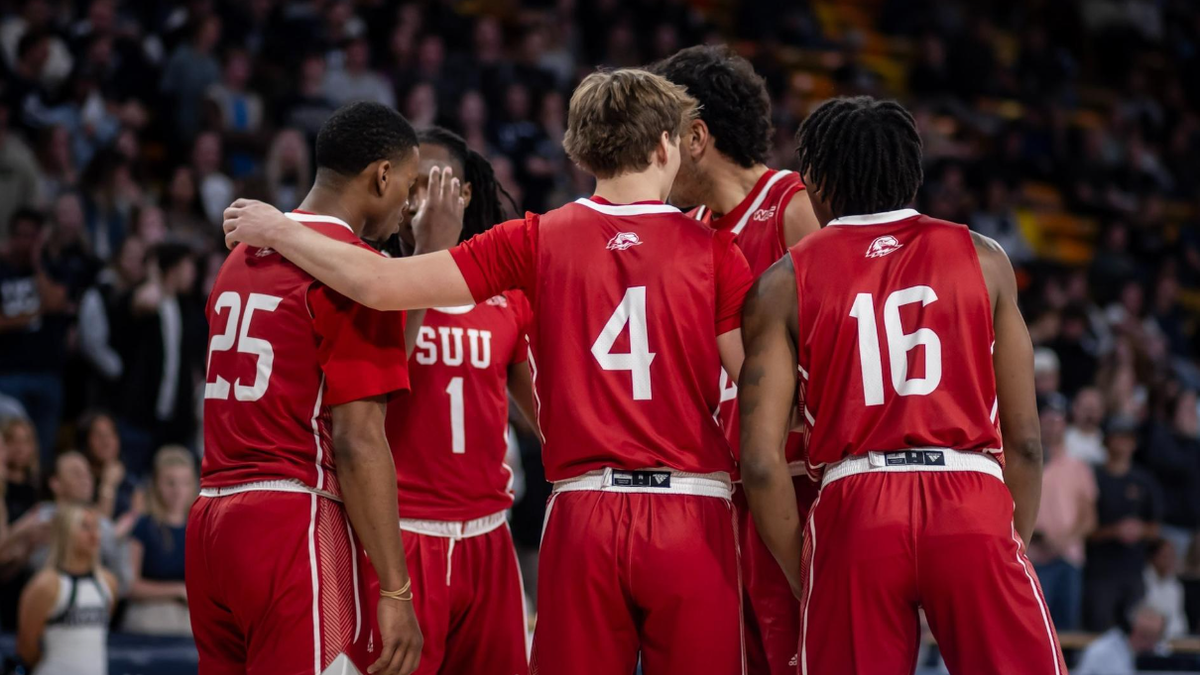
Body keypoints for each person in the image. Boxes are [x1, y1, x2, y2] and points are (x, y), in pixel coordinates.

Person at [222, 68, 753, 675]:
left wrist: (281, 229)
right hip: (691, 509)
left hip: (583, 514)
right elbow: (754, 388)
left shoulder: (536, 238)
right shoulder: (715, 250)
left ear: (579, 149)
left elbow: (377, 282)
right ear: (665, 145)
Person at [738, 96, 1066, 674]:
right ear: (910, 170)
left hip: (856, 507)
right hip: (968, 497)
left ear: (814, 178)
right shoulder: (986, 259)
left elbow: (762, 463)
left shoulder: (781, 283)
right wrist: (1003, 539)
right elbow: (1028, 442)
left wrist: (807, 571)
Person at [188, 102, 437, 675]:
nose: (407, 203)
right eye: (408, 183)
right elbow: (357, 441)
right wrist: (397, 592)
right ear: (381, 176)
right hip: (292, 519)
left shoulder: (239, 257)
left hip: (210, 522)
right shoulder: (356, 272)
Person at [650, 44, 821, 675]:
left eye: (658, 135)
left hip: (796, 484)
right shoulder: (683, 231)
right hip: (718, 494)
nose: (651, 155)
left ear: (694, 137)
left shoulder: (794, 205)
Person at [381, 126, 535, 675]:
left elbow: (547, 414)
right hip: (401, 535)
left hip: (489, 534)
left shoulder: (508, 297)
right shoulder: (373, 282)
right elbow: (380, 378)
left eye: (433, 185)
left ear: (464, 195)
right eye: (407, 185)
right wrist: (429, 254)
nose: (416, 200)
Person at [16, 505, 118, 675]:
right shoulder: (45, 584)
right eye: (85, 527)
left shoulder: (108, 582)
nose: (95, 535)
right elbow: (26, 647)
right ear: (65, 532)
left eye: (97, 527)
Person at [1086, 416, 1165, 632]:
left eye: (1127, 438)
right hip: (1100, 571)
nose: (1123, 443)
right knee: (1099, 630)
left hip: (1133, 568)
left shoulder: (1144, 480)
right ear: (1107, 441)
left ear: (1135, 443)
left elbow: (1156, 527)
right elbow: (1084, 528)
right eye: (1118, 437)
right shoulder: (1094, 476)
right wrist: (1114, 531)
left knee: (1135, 630)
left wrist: (1140, 530)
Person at [1029, 392, 1097, 632]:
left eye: (1058, 420)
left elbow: (1088, 518)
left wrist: (1063, 540)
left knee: (1067, 630)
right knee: (1033, 626)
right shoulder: (1024, 463)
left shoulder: (1078, 466)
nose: (1052, 426)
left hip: (1069, 556)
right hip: (1032, 557)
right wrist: (1039, 536)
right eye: (1047, 420)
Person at [124, 446, 195, 635]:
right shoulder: (144, 526)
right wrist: (177, 590)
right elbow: (130, 585)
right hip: (150, 615)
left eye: (185, 483)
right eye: (170, 483)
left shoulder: (201, 527)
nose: (178, 491)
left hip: (191, 617)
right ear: (156, 484)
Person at [77, 411, 141, 532]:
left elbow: (139, 519)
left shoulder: (130, 480)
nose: (106, 442)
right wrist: (108, 485)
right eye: (98, 435)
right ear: (85, 440)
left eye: (111, 434)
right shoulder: (79, 480)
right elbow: (97, 529)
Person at [1075, 604, 1168, 675]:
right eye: (1145, 635)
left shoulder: (1160, 652)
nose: (1150, 643)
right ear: (1132, 629)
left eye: (1155, 637)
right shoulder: (1101, 652)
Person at [1143, 538, 1189, 639]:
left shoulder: (1176, 586)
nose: (1170, 561)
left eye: (1173, 557)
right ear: (1152, 557)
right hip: (1149, 641)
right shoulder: (1140, 584)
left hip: (1177, 641)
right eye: (1165, 556)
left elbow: (1179, 620)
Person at [2, 416, 40, 522]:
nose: (20, 448)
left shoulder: (37, 486)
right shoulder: (2, 487)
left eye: (25, 441)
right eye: (13, 441)